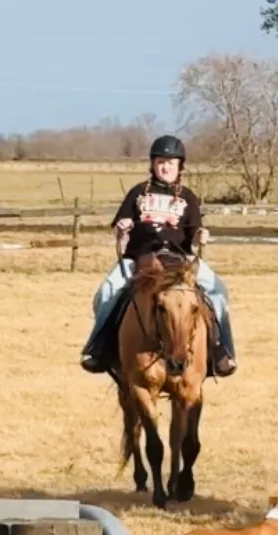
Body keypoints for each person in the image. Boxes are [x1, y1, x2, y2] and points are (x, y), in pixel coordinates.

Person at [80, 134, 237, 377]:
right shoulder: (137, 193)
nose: (165, 167)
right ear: (153, 164)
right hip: (140, 258)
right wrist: (123, 228)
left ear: (180, 167)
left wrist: (200, 237)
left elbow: (194, 233)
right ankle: (98, 347)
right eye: (161, 162)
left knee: (219, 292)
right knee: (108, 290)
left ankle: (222, 350)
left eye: (171, 163)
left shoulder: (188, 197)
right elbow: (121, 229)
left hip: (180, 262)